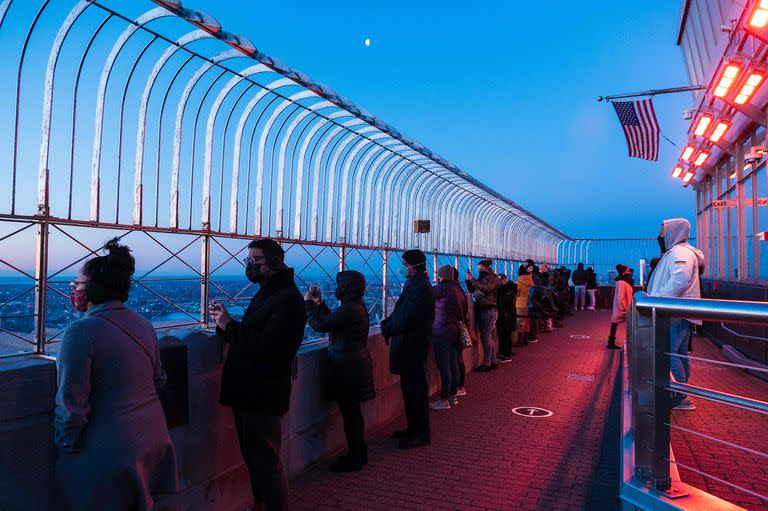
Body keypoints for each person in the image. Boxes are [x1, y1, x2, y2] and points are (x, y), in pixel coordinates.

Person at [55, 239, 177, 511]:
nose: (75, 290)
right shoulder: (144, 324)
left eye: (78, 284)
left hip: (110, 447)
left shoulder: (81, 331)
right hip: (152, 436)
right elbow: (159, 380)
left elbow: (71, 404)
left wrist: (66, 444)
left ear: (94, 289)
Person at [210, 238, 307, 510]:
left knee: (265, 461)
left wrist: (229, 325)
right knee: (256, 459)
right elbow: (256, 333)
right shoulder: (272, 291)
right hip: (252, 391)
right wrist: (225, 325)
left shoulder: (286, 298)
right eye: (248, 260)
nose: (250, 266)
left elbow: (266, 346)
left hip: (262, 393)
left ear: (275, 263)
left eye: (256, 261)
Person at [304, 270, 375, 472]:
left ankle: (355, 457)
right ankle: (358, 453)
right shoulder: (355, 306)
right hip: (353, 365)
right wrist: (320, 304)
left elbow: (321, 325)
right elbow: (335, 321)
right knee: (353, 414)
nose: (336, 289)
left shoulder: (351, 308)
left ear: (345, 287)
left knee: (351, 415)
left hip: (348, 368)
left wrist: (308, 303)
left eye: (339, 285)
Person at [647, 218, 705, 412]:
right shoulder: (678, 253)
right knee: (679, 353)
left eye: (662, 233)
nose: (660, 237)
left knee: (668, 353)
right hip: (679, 312)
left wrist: (659, 301)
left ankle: (680, 396)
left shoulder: (680, 253)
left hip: (674, 313)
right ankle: (681, 391)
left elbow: (680, 280)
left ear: (673, 233)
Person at [381, 249, 435, 448]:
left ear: (414, 266)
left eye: (405, 264)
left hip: (412, 345)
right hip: (411, 345)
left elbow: (406, 315)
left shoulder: (419, 287)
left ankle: (421, 433)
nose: (403, 268)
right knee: (410, 390)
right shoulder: (417, 284)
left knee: (416, 391)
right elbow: (402, 312)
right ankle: (414, 428)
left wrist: (388, 327)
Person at [429, 265, 464, 410]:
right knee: (453, 364)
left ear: (442, 276)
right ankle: (452, 396)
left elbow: (425, 293)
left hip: (441, 331)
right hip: (454, 330)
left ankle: (443, 400)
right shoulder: (457, 289)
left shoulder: (443, 289)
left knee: (444, 367)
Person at [465, 259, 501, 371]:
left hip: (489, 309)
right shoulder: (483, 278)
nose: (480, 271)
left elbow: (486, 288)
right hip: (483, 309)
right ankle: (493, 361)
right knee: (488, 337)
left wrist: (473, 279)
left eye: (481, 269)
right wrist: (468, 281)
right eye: (478, 270)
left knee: (486, 337)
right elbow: (473, 290)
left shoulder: (493, 278)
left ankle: (487, 363)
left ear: (486, 268)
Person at [452, 266, 470, 397]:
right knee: (459, 358)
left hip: (454, 329)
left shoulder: (451, 291)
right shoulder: (460, 290)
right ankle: (460, 385)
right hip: (461, 327)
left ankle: (457, 387)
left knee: (455, 359)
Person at [607, 265, 634, 350]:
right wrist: (623, 308)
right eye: (628, 271)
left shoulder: (621, 282)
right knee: (617, 324)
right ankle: (611, 343)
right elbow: (620, 297)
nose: (629, 272)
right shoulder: (622, 283)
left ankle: (611, 342)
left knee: (615, 323)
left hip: (622, 308)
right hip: (623, 308)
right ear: (624, 272)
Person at [496, 274, 517, 362]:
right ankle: (503, 354)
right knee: (503, 335)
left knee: (505, 335)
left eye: (500, 280)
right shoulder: (511, 288)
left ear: (505, 280)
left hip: (506, 315)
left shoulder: (507, 290)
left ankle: (506, 355)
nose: (499, 282)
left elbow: (503, 303)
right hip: (507, 315)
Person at [514, 263, 535, 346]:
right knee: (527, 321)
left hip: (520, 302)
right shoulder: (531, 280)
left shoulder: (519, 281)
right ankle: (526, 339)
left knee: (520, 322)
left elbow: (517, 292)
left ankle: (520, 341)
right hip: (529, 303)